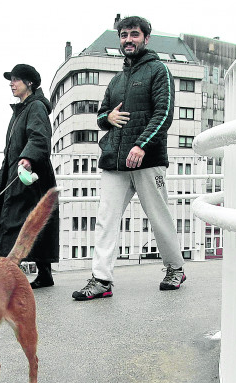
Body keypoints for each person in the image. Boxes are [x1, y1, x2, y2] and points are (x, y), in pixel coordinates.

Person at [72, 16, 186, 301]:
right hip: (114, 160)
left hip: (147, 159)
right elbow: (101, 116)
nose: (128, 40)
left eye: (134, 34)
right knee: (106, 219)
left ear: (146, 38)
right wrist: (107, 117)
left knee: (159, 218)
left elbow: (164, 114)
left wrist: (141, 146)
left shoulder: (159, 71)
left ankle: (175, 268)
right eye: (123, 35)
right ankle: (101, 280)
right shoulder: (117, 81)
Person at [0, 64, 59, 289]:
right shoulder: (21, 110)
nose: (11, 83)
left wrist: (27, 158)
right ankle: (43, 274)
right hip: (19, 174)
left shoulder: (35, 107)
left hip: (29, 175)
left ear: (29, 83)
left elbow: (39, 138)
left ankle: (6, 276)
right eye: (11, 80)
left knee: (14, 223)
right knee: (33, 223)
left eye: (16, 79)